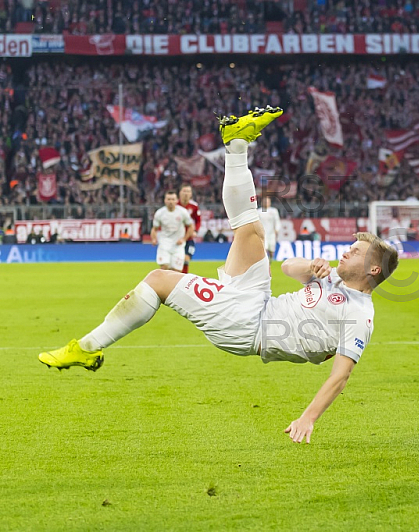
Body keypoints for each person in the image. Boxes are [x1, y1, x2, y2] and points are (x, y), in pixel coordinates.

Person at [38, 107, 399, 444]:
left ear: (372, 269)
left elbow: (340, 375)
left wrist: (309, 417)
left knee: (159, 280)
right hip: (258, 301)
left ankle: (84, 349)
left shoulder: (359, 314)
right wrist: (310, 267)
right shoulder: (333, 279)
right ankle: (236, 142)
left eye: (357, 251)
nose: (347, 250)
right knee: (251, 230)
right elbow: (286, 268)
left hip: (246, 325)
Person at [150, 190, 195, 272]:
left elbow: (191, 226)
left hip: (178, 245)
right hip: (164, 243)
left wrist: (184, 239)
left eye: (173, 199)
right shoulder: (160, 213)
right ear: (165, 200)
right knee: (164, 268)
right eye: (169, 199)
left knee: (176, 271)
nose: (171, 201)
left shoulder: (182, 212)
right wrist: (153, 239)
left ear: (177, 200)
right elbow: (154, 228)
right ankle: (164, 285)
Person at [178, 184, 202, 274]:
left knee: (186, 259)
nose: (186, 194)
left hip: (189, 238)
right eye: (184, 191)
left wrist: (195, 231)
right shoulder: (175, 205)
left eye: (188, 191)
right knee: (175, 261)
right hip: (177, 238)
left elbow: (198, 220)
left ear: (191, 194)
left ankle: (184, 278)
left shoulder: (194, 206)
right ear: (180, 193)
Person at [259, 195, 281, 261]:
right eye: (265, 201)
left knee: (271, 249)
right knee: (264, 249)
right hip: (263, 233)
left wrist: (277, 229)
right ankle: (265, 262)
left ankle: (271, 260)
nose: (266, 203)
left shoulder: (274, 211)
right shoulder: (259, 211)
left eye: (268, 201)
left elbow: (277, 220)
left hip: (271, 233)